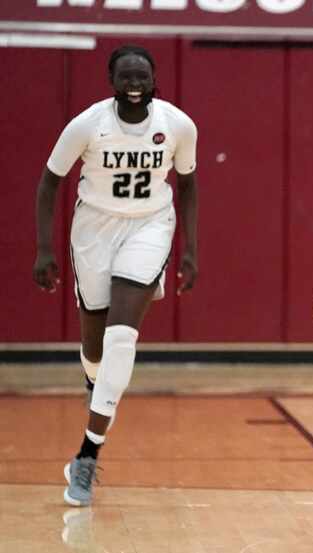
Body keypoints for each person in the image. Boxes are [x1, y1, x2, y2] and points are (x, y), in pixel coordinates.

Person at [33, 45, 199, 507]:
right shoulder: (87, 125)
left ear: (153, 78)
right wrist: (45, 249)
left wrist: (191, 250)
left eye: (141, 75)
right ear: (111, 80)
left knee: (122, 338)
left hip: (150, 225)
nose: (133, 82)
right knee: (95, 348)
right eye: (125, 75)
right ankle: (98, 384)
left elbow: (187, 185)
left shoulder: (178, 125)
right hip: (95, 228)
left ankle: (88, 454)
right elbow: (49, 182)